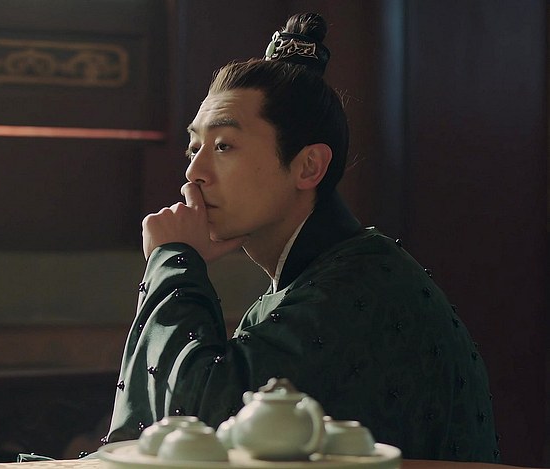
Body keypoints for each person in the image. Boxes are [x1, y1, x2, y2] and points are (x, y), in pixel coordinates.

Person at [105, 12, 500, 462]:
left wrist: (174, 260)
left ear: (308, 166)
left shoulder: (361, 286)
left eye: (224, 146)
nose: (194, 172)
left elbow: (200, 428)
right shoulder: (323, 273)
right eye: (194, 147)